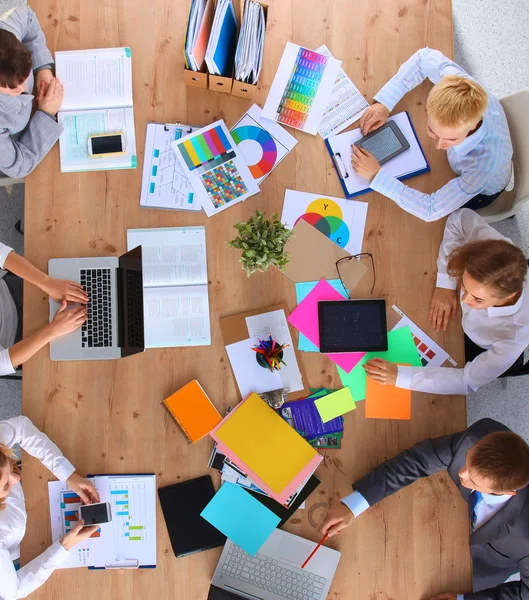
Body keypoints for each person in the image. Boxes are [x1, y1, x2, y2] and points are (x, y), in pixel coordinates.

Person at [321, 418, 529, 599]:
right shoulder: (479, 435)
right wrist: (355, 504)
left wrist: (462, 599)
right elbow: (418, 459)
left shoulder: (525, 537)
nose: (461, 474)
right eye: (467, 463)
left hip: (476, 573)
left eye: (473, 479)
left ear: (509, 492)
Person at [364, 208, 529, 395]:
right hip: (456, 322)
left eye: (478, 299)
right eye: (464, 286)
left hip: (480, 343)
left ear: (507, 296)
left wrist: (400, 377)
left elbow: (467, 381)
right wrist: (446, 285)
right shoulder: (497, 252)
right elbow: (459, 218)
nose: (465, 301)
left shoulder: (515, 336)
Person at [350, 47, 512, 222]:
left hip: (482, 191)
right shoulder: (457, 83)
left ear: (473, 123)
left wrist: (377, 176)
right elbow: (423, 58)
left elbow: (430, 209)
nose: (439, 146)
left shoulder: (483, 165)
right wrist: (385, 103)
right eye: (433, 132)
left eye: (451, 139)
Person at [0, 415, 100, 599]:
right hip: (13, 555)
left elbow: (22, 427)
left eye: (9, 465)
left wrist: (67, 475)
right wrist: (65, 545)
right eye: (6, 485)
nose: (17, 478)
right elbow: (14, 590)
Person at [0, 240, 88, 377]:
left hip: (12, 290)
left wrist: (47, 282)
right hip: (21, 340)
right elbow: (4, 363)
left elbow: (2, 253)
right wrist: (52, 330)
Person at [0, 1, 64, 178]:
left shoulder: (6, 30)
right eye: (13, 87)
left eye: (25, 77)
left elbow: (27, 16)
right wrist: (46, 115)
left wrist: (42, 68)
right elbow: (18, 166)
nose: (22, 89)